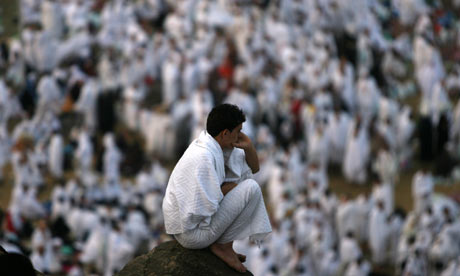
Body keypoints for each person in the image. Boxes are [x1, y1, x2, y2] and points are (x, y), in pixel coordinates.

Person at [162, 104, 272, 273]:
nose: (240, 135)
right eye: (238, 131)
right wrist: (233, 188)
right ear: (225, 133)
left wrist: (249, 146)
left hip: (193, 227)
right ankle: (223, 246)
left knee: (246, 184)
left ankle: (223, 245)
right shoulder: (204, 156)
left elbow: (254, 169)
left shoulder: (213, 144)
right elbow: (206, 204)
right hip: (191, 233)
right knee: (251, 188)